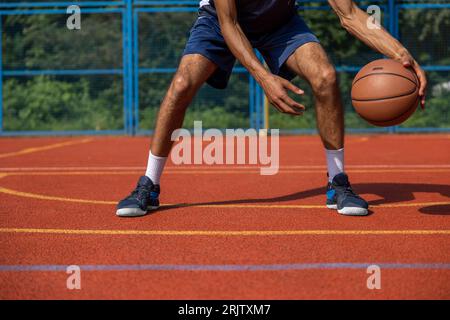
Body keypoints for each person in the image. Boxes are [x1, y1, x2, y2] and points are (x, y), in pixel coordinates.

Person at [116, 0, 427, 217]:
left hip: (281, 24)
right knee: (182, 83)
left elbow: (349, 13)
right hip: (221, 21)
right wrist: (264, 77)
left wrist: (403, 55)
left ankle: (338, 182)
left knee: (325, 76)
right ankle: (149, 183)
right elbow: (230, 22)